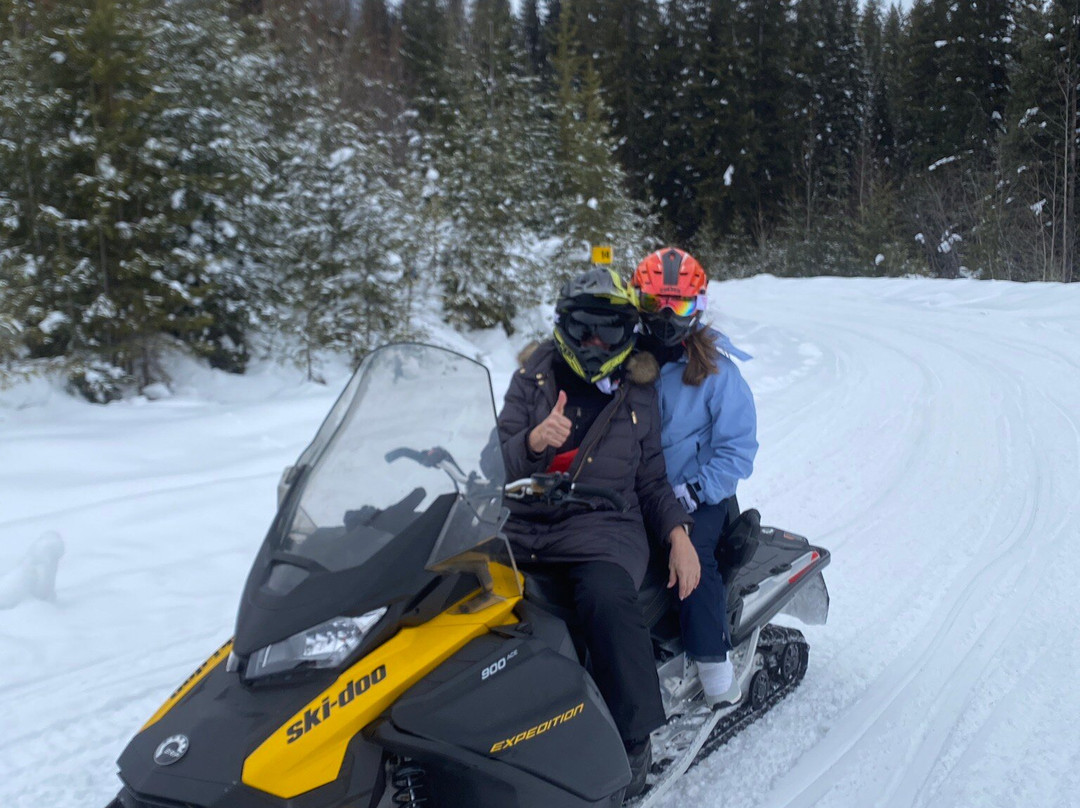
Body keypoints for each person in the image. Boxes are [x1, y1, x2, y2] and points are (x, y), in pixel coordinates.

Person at [494, 267, 700, 797]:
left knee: (605, 599)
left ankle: (633, 740)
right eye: (584, 328)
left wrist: (678, 535)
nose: (593, 342)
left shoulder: (638, 393)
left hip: (602, 528)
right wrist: (533, 441)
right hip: (522, 524)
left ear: (625, 334)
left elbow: (652, 477)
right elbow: (491, 459)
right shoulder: (533, 378)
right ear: (564, 324)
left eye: (607, 331)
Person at [630, 247, 758, 708]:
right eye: (655, 306)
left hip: (701, 496)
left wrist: (696, 490)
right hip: (639, 492)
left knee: (690, 560)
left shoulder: (716, 372)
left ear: (697, 308)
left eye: (679, 306)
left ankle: (715, 670)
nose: (666, 317)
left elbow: (738, 448)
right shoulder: (625, 363)